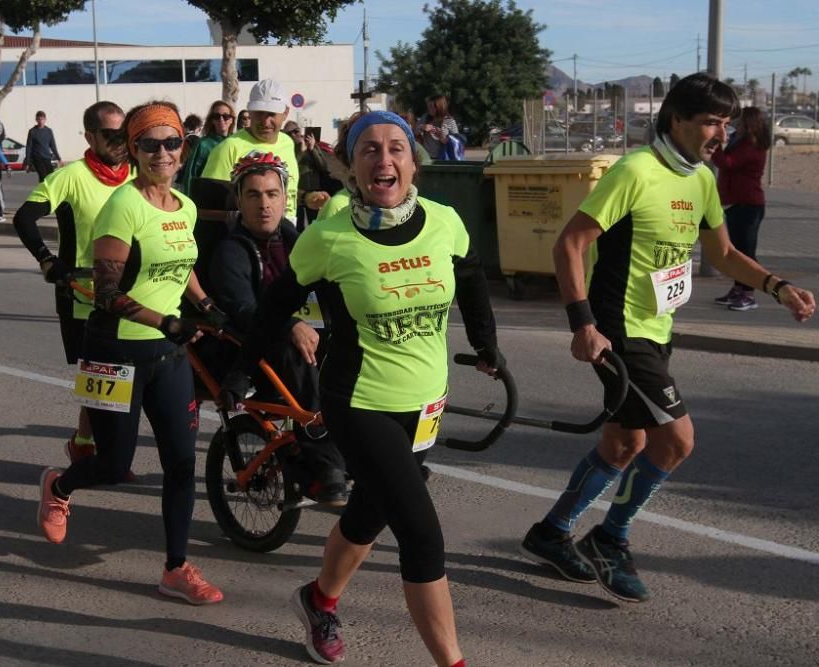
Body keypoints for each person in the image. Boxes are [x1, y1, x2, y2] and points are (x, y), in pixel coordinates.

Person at [520, 74, 815, 604]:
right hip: (619, 330)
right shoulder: (636, 170)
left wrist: (778, 286)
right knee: (677, 441)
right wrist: (582, 324)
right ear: (675, 119)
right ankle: (610, 539)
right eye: (709, 121)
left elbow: (722, 254)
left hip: (658, 327)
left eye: (725, 123)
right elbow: (569, 244)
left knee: (624, 442)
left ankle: (551, 531)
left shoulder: (700, 178)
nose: (719, 134)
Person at [222, 111, 502, 666]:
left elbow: (469, 278)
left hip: (425, 404)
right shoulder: (330, 237)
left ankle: (318, 598)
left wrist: (487, 344)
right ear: (349, 166)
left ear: (412, 161)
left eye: (396, 147)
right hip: (360, 400)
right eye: (368, 149)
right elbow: (274, 307)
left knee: (370, 512)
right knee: (421, 534)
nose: (385, 158)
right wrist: (243, 371)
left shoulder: (445, 221)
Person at [36, 101, 226, 605]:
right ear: (134, 150)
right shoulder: (123, 205)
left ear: (184, 148)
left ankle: (176, 568)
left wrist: (207, 305)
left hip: (167, 356)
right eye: (149, 143)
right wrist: (166, 321)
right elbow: (107, 295)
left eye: (171, 142)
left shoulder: (182, 206)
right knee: (113, 465)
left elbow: (180, 266)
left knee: (182, 463)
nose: (162, 153)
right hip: (113, 349)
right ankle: (59, 485)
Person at [204, 151, 347, 505]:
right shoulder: (230, 251)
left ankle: (365, 447)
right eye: (253, 195)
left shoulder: (295, 239)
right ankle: (327, 466)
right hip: (243, 352)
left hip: (292, 343)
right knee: (300, 354)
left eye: (271, 194)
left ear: (286, 198)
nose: (264, 205)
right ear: (238, 200)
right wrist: (292, 325)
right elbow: (243, 310)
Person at [13, 100, 133, 473]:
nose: (119, 142)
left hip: (129, 287)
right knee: (101, 372)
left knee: (119, 369)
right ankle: (98, 451)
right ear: (90, 136)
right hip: (82, 289)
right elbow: (25, 218)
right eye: (110, 135)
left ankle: (86, 444)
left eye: (124, 135)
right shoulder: (71, 176)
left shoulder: (137, 175)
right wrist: (48, 261)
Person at [201, 79, 302, 222]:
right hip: (243, 240)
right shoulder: (228, 148)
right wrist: (246, 221)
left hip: (287, 235)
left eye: (272, 114)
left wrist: (306, 198)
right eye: (259, 113)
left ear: (285, 113)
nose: (265, 121)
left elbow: (287, 191)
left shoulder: (287, 142)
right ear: (250, 111)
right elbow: (206, 210)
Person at [711, 106, 771, 312]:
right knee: (737, 250)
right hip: (736, 202)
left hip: (748, 204)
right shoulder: (740, 140)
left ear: (750, 123)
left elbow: (727, 163)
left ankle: (748, 294)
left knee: (746, 251)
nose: (736, 124)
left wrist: (716, 146)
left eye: (741, 120)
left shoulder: (752, 145)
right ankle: (738, 288)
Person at [179, 100, 234, 195]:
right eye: (217, 116)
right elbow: (191, 176)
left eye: (225, 116)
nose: (221, 119)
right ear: (212, 120)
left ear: (231, 120)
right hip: (208, 197)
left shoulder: (237, 142)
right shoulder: (203, 144)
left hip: (233, 198)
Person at [283, 121, 333, 224]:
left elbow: (323, 167)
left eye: (296, 131)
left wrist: (312, 149)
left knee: (314, 222)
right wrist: (300, 152)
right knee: (298, 224)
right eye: (289, 133)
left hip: (314, 191)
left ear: (300, 131)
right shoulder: (287, 149)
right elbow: (289, 169)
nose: (293, 135)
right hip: (298, 193)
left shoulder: (312, 146)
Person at [417, 94, 459, 160]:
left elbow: (456, 141)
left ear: (439, 107)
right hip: (427, 157)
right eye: (428, 106)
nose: (429, 109)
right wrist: (422, 127)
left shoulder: (449, 120)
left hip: (444, 157)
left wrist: (444, 138)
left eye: (431, 106)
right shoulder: (425, 117)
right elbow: (415, 132)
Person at [25, 110, 62, 182]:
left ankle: (48, 192)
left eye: (42, 119)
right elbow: (28, 147)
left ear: (45, 120)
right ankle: (42, 192)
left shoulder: (48, 131)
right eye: (39, 119)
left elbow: (53, 145)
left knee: (50, 177)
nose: (41, 121)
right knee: (43, 177)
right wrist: (27, 162)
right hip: (37, 158)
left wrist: (59, 158)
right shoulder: (32, 131)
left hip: (47, 158)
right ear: (36, 120)